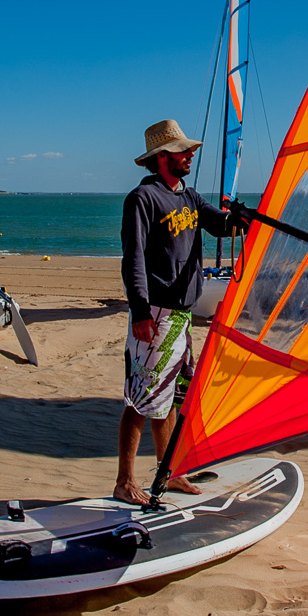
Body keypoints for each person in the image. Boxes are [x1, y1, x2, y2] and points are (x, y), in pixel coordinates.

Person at [116, 118, 244, 505]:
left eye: (189, 151)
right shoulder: (144, 198)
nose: (189, 156)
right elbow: (133, 259)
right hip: (154, 312)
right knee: (141, 397)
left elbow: (219, 226)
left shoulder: (188, 195)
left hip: (180, 315)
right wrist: (139, 312)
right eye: (182, 151)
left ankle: (167, 473)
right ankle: (124, 482)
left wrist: (244, 220)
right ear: (161, 157)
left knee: (167, 398)